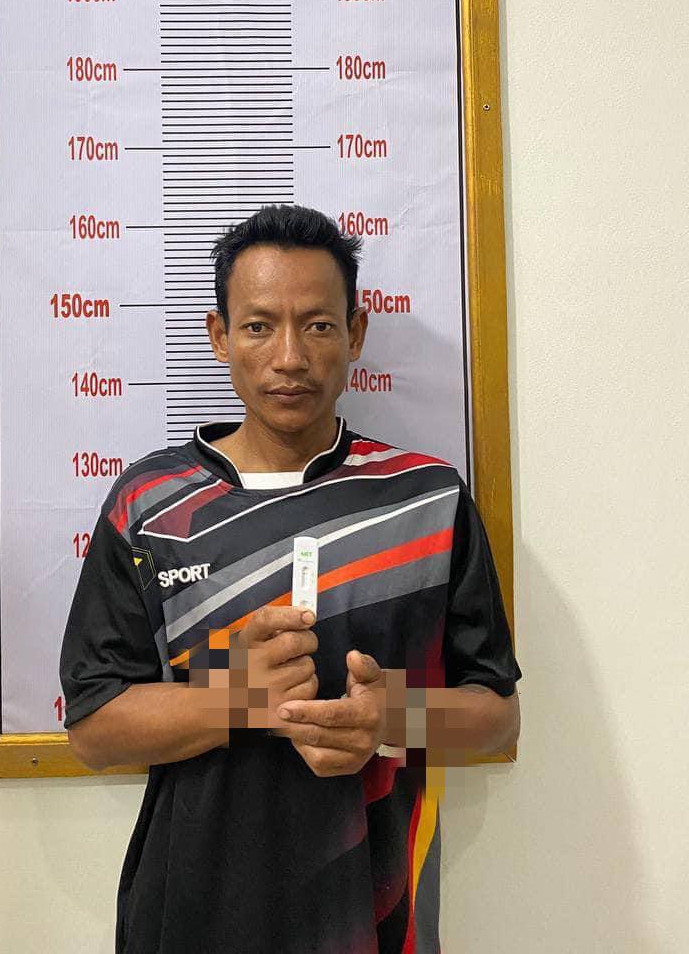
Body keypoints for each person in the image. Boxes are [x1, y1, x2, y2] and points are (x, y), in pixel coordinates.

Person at [60, 204, 521, 954]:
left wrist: (392, 719)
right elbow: (92, 729)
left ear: (356, 334)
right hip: (189, 919)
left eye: (318, 325)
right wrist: (238, 701)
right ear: (219, 336)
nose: (289, 357)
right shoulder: (148, 506)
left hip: (375, 922)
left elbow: (497, 714)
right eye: (258, 326)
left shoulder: (427, 501)